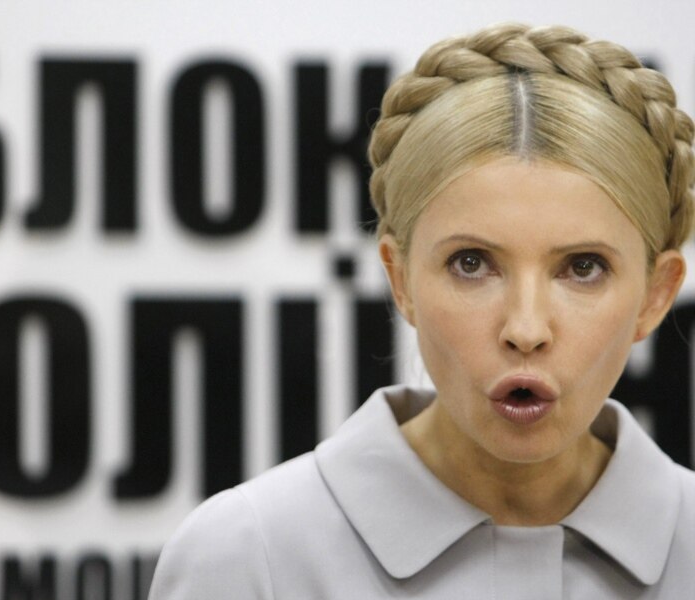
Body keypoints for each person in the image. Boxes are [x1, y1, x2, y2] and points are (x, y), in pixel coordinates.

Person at [148, 23, 695, 598]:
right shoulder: (245, 557)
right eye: (471, 263)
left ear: (656, 295)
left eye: (583, 267)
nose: (526, 329)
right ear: (400, 279)